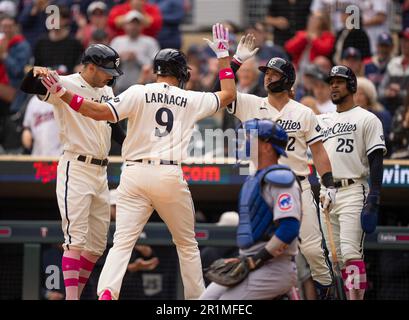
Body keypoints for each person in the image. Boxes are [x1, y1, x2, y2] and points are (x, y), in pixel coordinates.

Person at [39, 23, 237, 300]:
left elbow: (98, 112)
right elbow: (229, 95)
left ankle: (107, 293)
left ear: (156, 70)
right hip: (169, 174)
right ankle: (198, 300)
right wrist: (224, 56)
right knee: (187, 245)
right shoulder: (190, 98)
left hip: (133, 174)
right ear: (180, 73)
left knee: (121, 243)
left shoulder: (138, 91)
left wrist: (65, 95)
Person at [219, 38, 336, 299]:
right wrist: (234, 61)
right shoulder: (250, 103)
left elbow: (318, 152)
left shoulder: (304, 112)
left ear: (288, 79)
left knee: (315, 252)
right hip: (262, 187)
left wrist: (328, 183)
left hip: (297, 184)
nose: (268, 77)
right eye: (266, 73)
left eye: (274, 73)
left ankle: (326, 293)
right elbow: (221, 92)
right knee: (258, 249)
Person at [19, 44, 126, 300]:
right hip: (75, 166)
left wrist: (134, 147)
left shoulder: (107, 88)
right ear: (90, 66)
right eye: (106, 70)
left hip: (101, 170)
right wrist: (35, 71)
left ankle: (73, 294)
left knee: (97, 245)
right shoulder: (64, 83)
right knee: (75, 241)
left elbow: (115, 128)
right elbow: (27, 87)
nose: (111, 75)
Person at [200, 119, 301, 299]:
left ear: (267, 147)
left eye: (250, 138)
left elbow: (289, 228)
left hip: (274, 266)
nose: (245, 142)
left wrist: (257, 258)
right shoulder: (253, 178)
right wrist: (246, 259)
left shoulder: (281, 179)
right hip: (251, 262)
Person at [317, 65, 386, 300]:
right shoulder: (321, 119)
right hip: (326, 194)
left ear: (352, 85)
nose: (333, 86)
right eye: (331, 82)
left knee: (350, 254)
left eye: (340, 81)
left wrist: (374, 198)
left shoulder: (368, 118)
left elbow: (376, 160)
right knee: (335, 260)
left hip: (353, 189)